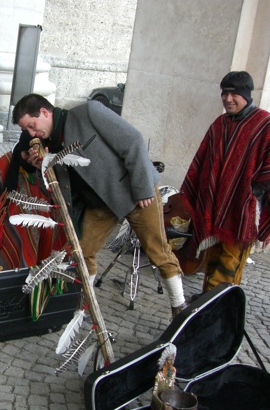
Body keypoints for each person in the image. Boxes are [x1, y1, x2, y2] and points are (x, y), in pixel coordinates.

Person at [13, 93, 187, 316]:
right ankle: (85, 309)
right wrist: (43, 167)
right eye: (27, 130)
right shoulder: (48, 145)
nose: (31, 133)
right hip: (98, 204)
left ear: (45, 113)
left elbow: (132, 140)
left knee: (158, 251)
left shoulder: (89, 111)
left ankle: (179, 306)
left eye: (31, 125)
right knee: (83, 252)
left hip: (134, 193)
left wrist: (143, 187)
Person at [181, 71, 270, 292]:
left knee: (228, 266)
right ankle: (208, 310)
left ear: (246, 95)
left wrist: (251, 192)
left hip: (243, 213)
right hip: (215, 210)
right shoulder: (219, 124)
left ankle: (217, 312)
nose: (228, 99)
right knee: (212, 260)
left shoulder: (265, 125)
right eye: (225, 93)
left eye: (234, 94)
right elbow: (202, 163)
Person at [0, 131, 66, 271]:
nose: (29, 160)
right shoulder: (3, 164)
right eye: (26, 155)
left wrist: (44, 170)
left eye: (33, 156)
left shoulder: (47, 167)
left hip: (38, 229)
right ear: (20, 149)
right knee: (4, 259)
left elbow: (56, 200)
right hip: (5, 229)